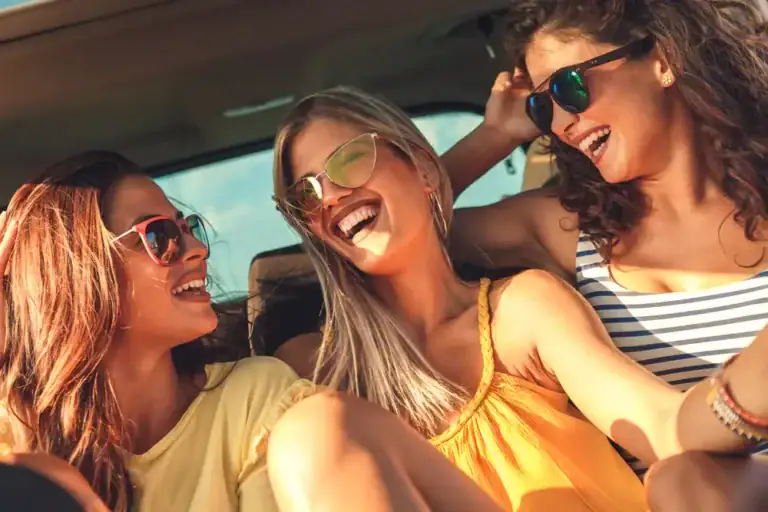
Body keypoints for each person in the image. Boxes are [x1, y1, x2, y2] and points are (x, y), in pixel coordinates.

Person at [269, 86, 768, 511]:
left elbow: (659, 426)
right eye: (306, 196)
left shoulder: (522, 310)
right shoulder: (316, 374)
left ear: (422, 167)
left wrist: (745, 392)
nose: (330, 196)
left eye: (349, 160)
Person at [440, 0, 768, 482]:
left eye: (569, 89)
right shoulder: (569, 229)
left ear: (662, 61)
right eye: (540, 107)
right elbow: (400, 230)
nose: (559, 124)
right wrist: (493, 136)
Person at [0, 152, 313, 512]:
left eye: (186, 229)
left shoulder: (251, 400)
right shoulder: (13, 429)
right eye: (158, 236)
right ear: (77, 272)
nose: (196, 250)